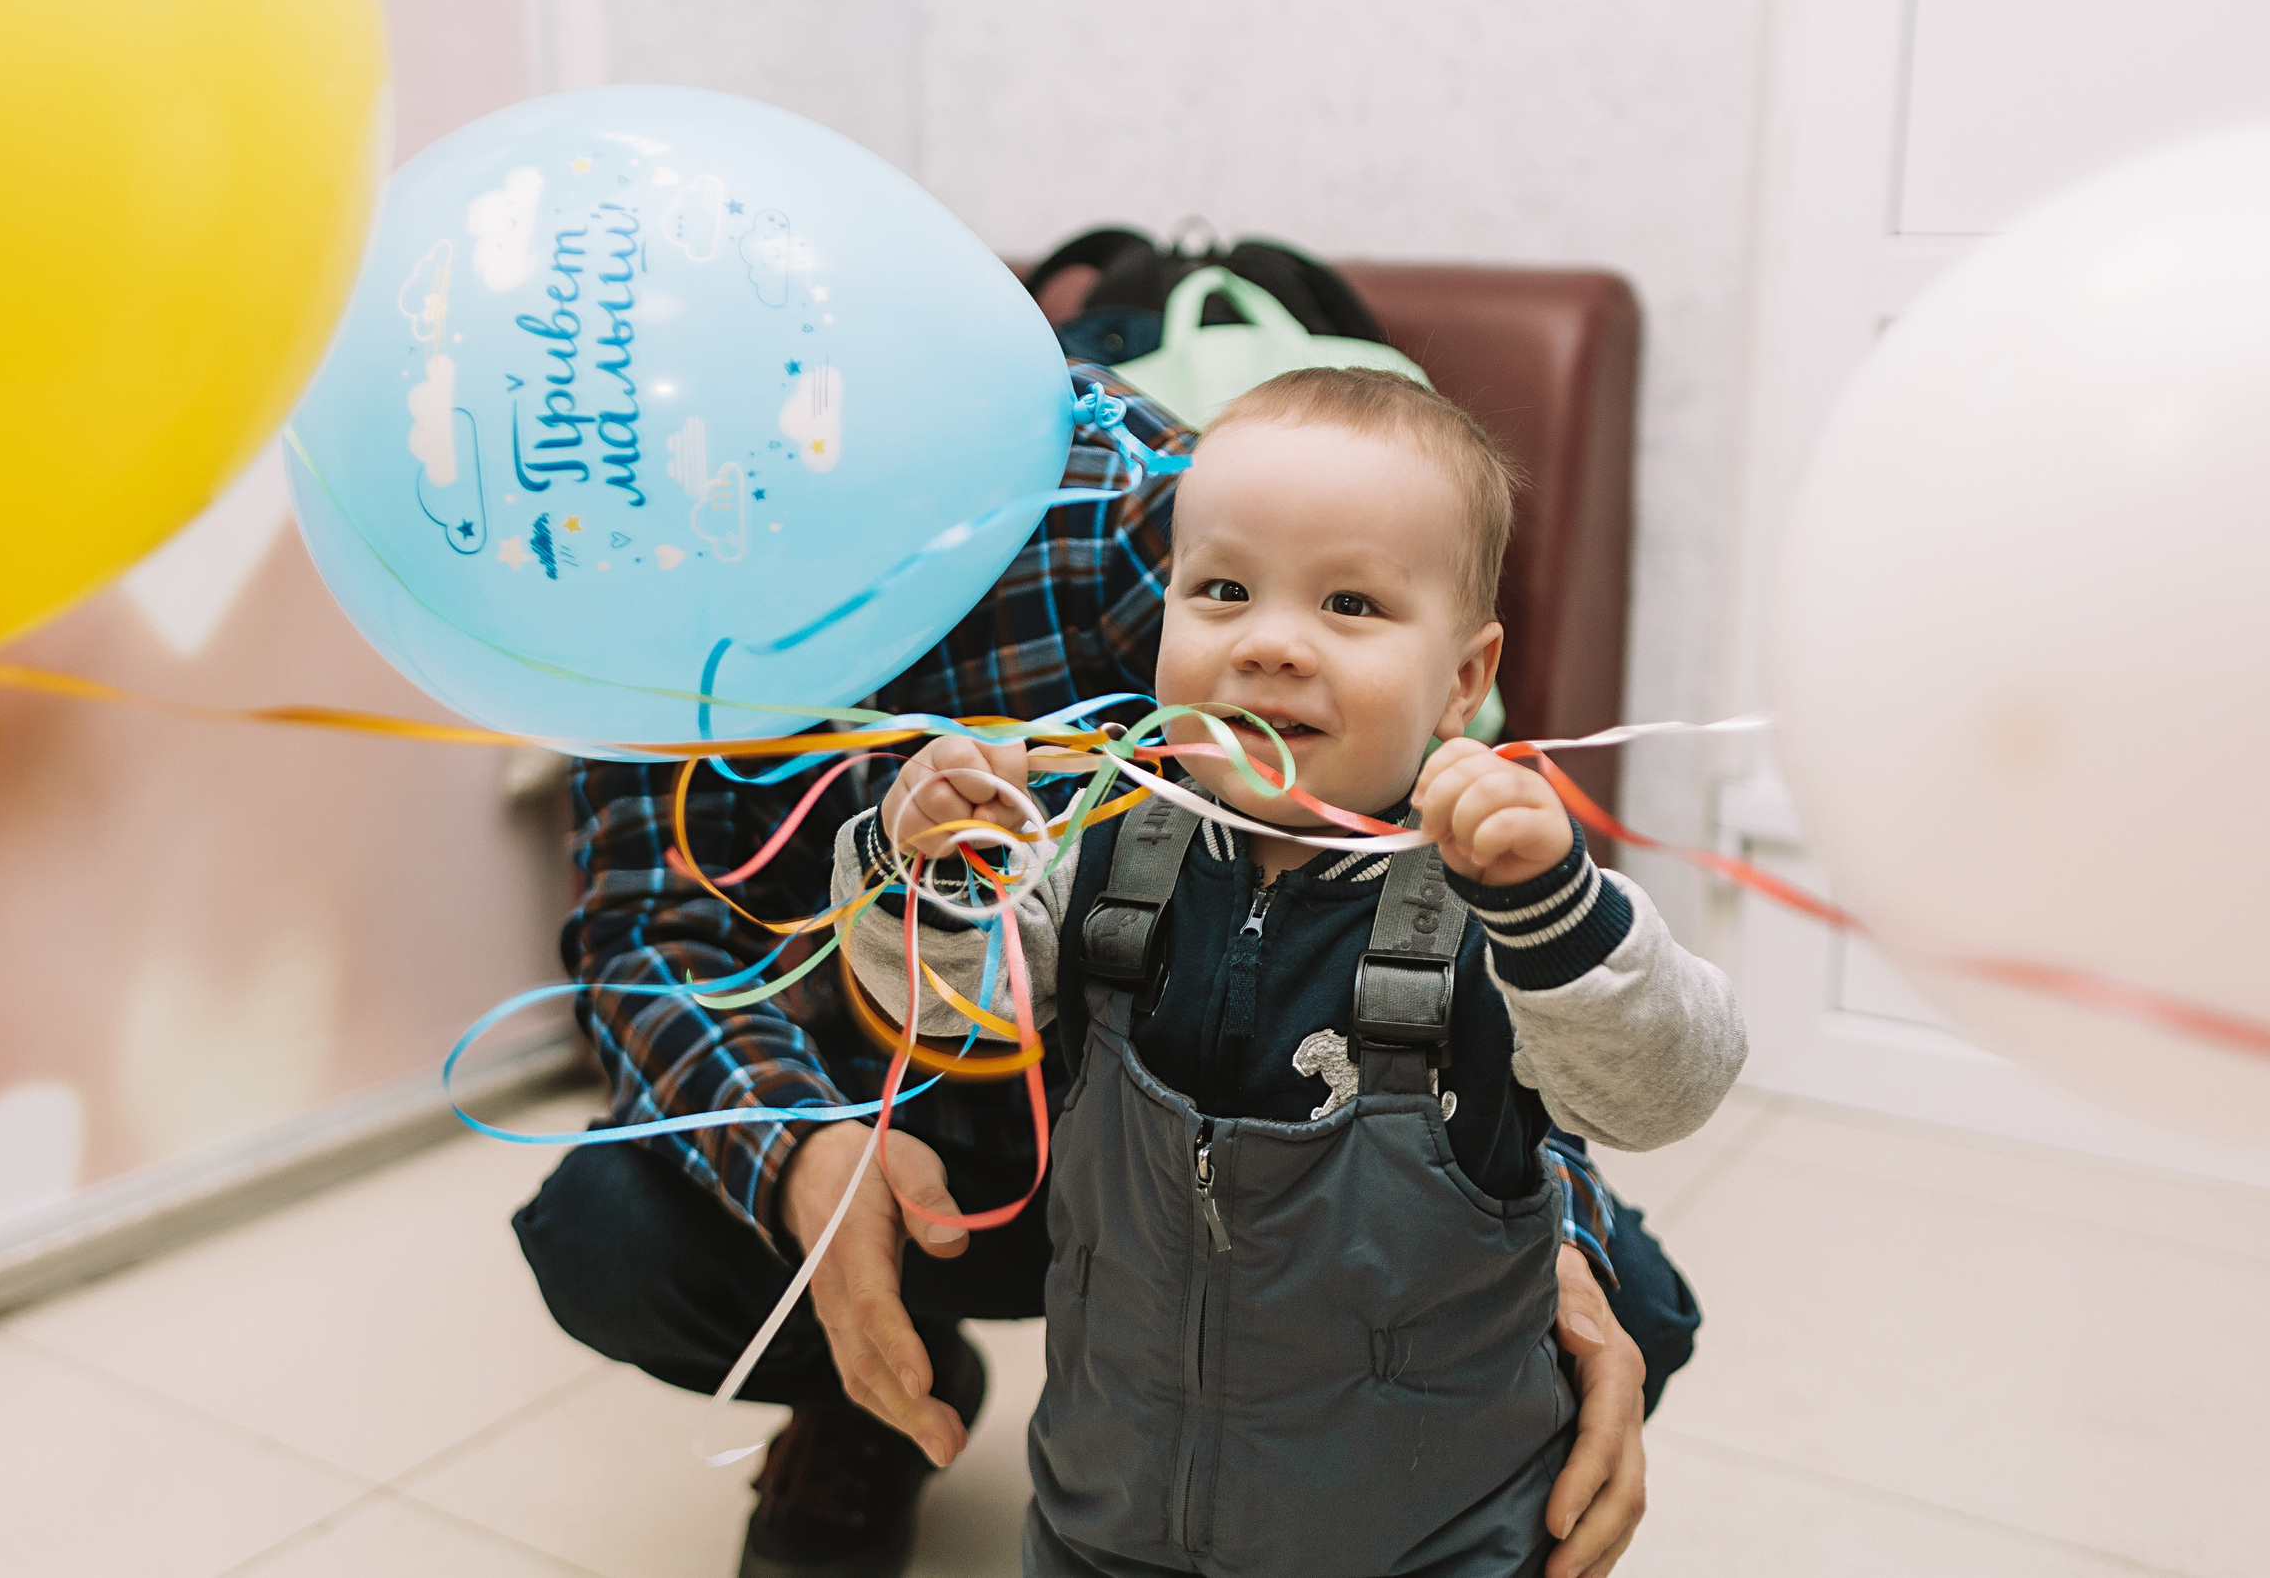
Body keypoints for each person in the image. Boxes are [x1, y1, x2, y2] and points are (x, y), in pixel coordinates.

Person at [513, 364, 1702, 1578]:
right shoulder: (633, 574)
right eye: (1225, 593)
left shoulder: (1096, 477)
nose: (1273, 642)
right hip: (1021, 1166)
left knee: (1637, 1310)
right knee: (607, 1228)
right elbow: (669, 943)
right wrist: (915, 893)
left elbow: (1614, 1053)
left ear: (1467, 679)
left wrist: (1543, 1224)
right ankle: (857, 1401)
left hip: (1346, 1219)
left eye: (1343, 605)